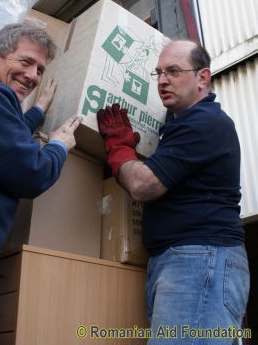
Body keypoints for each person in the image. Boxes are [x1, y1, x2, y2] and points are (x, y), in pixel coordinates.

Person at [97, 40, 250, 344]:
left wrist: (118, 148)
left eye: (174, 71)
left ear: (203, 78)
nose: (163, 80)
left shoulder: (204, 123)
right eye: (159, 73)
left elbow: (142, 185)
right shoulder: (179, 127)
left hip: (199, 260)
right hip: (188, 261)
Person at [0, 23, 82, 344]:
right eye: (25, 62)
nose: (33, 76)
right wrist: (58, 146)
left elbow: (0, 138)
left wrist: (38, 110)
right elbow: (30, 172)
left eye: (40, 69)